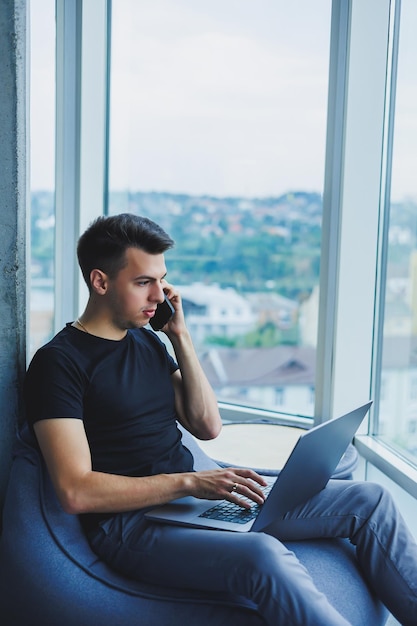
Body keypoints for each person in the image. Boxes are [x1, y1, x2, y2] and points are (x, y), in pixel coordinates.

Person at [24, 213, 417, 626]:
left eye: (162, 280)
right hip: (129, 527)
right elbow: (75, 491)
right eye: (143, 282)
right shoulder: (59, 364)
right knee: (262, 555)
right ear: (100, 282)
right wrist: (193, 482)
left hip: (192, 503)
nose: (159, 295)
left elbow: (207, 424)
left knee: (371, 500)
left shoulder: (145, 340)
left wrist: (180, 336)